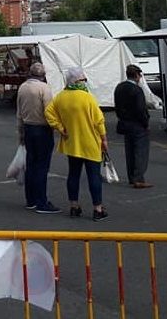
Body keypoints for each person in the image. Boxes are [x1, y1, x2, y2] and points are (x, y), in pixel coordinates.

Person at [45, 67, 109, 221]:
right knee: (94, 176)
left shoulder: (60, 97)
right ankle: (97, 209)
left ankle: (74, 206)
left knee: (73, 175)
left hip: (72, 143)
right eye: (83, 79)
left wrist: (60, 128)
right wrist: (104, 139)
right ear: (77, 81)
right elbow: (99, 120)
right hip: (90, 142)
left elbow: (48, 112)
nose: (84, 82)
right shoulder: (88, 98)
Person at [16, 62, 59, 213]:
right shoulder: (44, 88)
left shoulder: (23, 87)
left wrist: (20, 133)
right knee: (42, 166)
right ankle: (42, 201)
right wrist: (57, 126)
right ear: (43, 75)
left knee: (31, 164)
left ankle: (31, 199)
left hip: (28, 128)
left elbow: (19, 113)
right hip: (42, 128)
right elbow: (49, 111)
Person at [114, 64, 153, 189]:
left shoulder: (119, 87)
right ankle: (138, 178)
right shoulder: (136, 90)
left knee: (129, 151)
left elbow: (116, 105)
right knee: (140, 151)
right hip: (137, 123)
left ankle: (132, 176)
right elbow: (140, 109)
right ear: (136, 75)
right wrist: (145, 123)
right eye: (139, 75)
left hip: (124, 122)